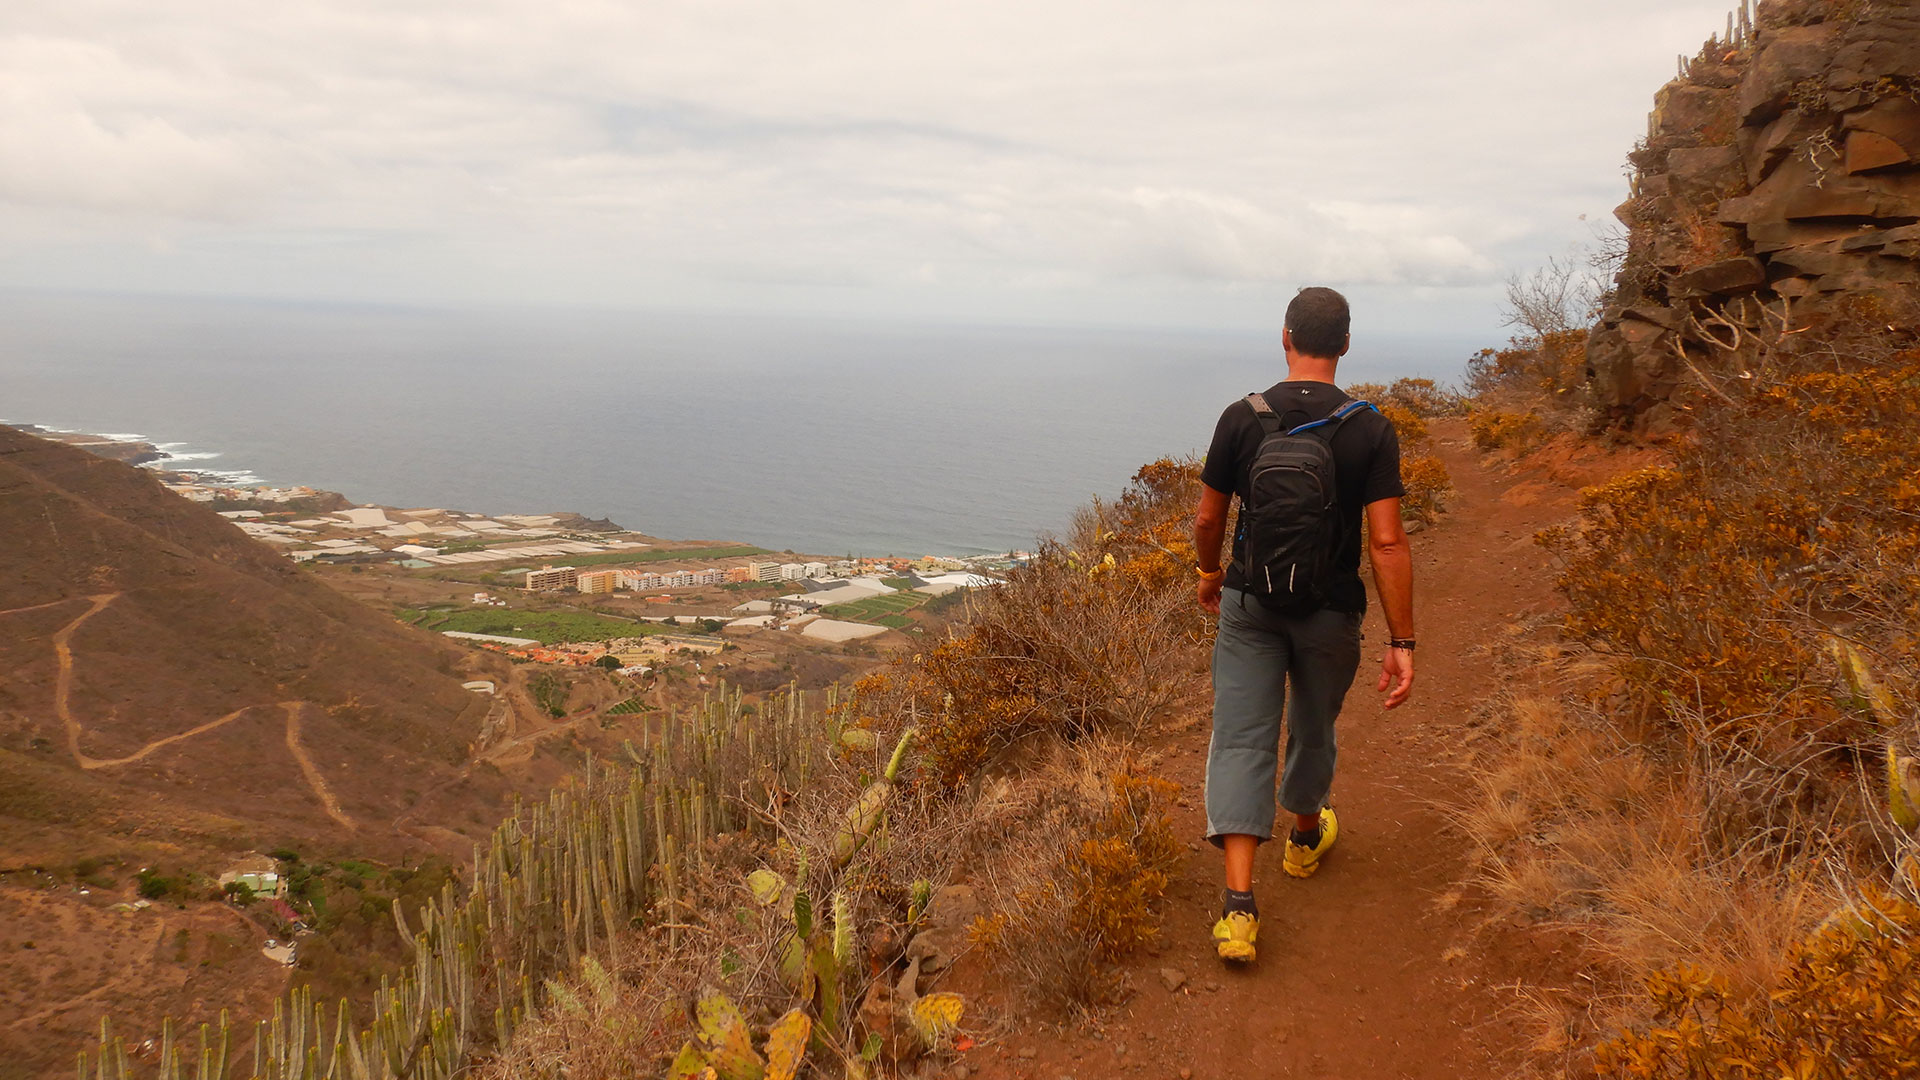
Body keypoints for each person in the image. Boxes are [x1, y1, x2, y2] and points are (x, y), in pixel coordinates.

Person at [1191, 286, 1416, 963]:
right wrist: (1402, 640)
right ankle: (1303, 837)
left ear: (1284, 338)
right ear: (1344, 345)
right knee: (1313, 726)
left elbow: (1208, 519)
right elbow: (1386, 542)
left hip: (1250, 605)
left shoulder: (1241, 417)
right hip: (1330, 609)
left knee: (1241, 737)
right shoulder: (1370, 429)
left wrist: (1209, 574)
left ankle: (1237, 909)